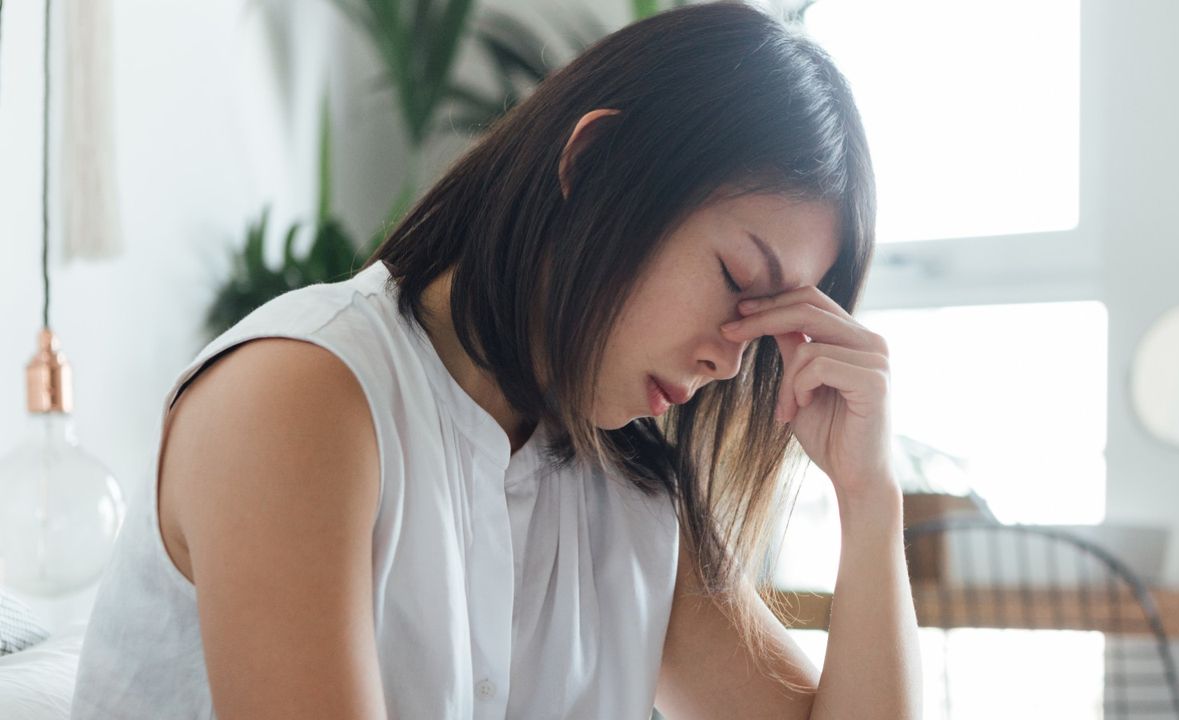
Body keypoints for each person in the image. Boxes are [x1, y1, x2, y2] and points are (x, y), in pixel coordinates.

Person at [70, 1, 921, 718]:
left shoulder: (627, 493)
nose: (732, 364)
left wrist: (869, 495)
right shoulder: (301, 396)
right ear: (591, 166)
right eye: (737, 278)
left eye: (768, 322)